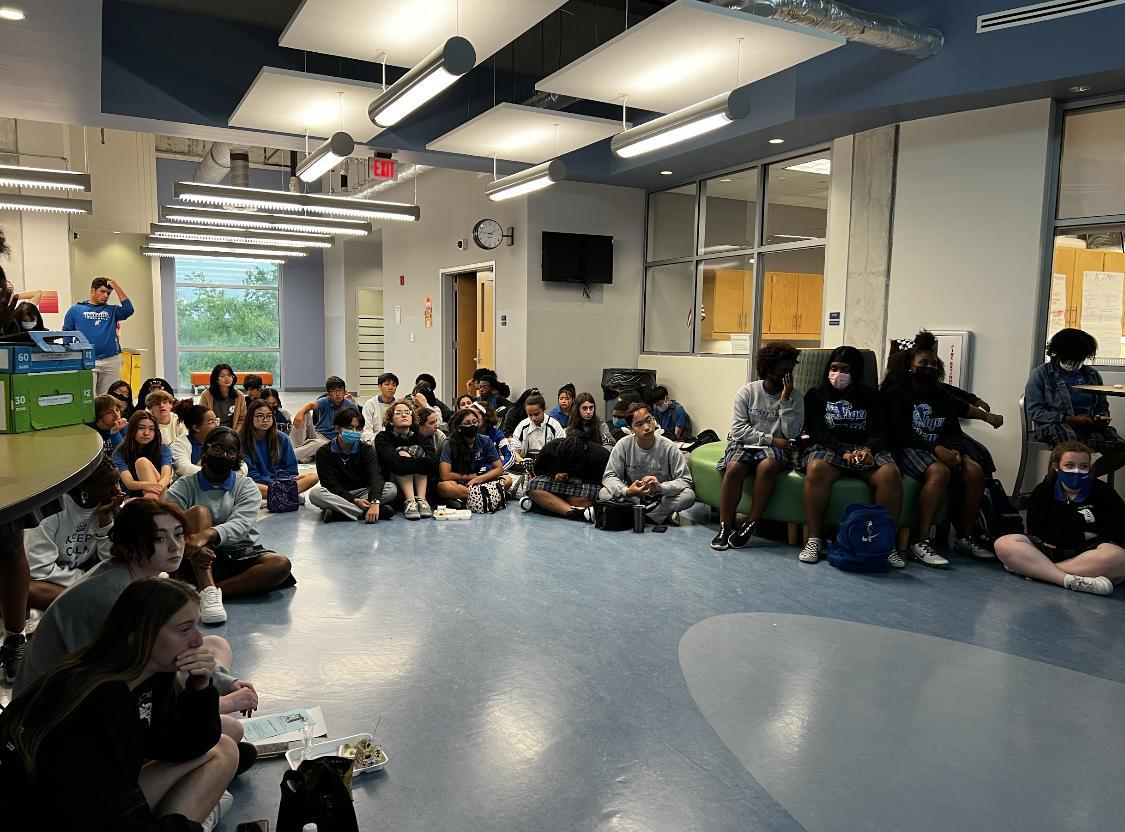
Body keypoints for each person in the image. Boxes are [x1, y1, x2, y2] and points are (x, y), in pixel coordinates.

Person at [17, 502, 260, 754]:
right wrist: (219, 701)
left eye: (178, 534)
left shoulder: (135, 575)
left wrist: (225, 682)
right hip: (60, 719)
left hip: (101, 689)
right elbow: (142, 679)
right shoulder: (116, 595)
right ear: (130, 545)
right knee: (230, 731)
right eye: (158, 539)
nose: (175, 546)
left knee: (217, 644)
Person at [0, 578, 239, 832]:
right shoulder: (101, 699)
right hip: (48, 817)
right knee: (223, 757)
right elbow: (88, 817)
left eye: (195, 626)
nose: (198, 641)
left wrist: (201, 688)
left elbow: (180, 746)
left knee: (225, 749)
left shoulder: (147, 676)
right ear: (141, 636)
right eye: (184, 630)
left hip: (88, 804)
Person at [882, 330, 990, 566]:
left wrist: (954, 449)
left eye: (932, 364)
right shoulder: (895, 393)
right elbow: (899, 434)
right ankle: (920, 541)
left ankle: (964, 537)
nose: (928, 368)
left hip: (940, 447)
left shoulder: (940, 395)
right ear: (910, 366)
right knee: (939, 472)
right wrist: (936, 449)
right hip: (908, 447)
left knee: (974, 471)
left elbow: (952, 429)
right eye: (923, 363)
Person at [166, 427, 294, 624]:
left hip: (236, 552)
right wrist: (195, 543)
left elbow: (241, 524)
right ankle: (209, 590)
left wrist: (206, 535)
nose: (224, 455)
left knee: (280, 564)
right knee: (199, 512)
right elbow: (169, 522)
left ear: (237, 458)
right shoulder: (184, 485)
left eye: (231, 451)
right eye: (217, 448)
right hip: (193, 556)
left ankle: (205, 592)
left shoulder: (246, 486)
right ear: (205, 451)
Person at [799, 346, 903, 565]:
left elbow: (881, 431)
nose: (838, 374)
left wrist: (868, 450)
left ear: (855, 371)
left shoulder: (872, 397)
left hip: (865, 447)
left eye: (845, 370)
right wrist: (843, 451)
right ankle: (814, 539)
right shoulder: (816, 395)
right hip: (831, 447)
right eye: (834, 368)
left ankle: (887, 544)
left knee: (890, 474)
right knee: (816, 468)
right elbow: (818, 432)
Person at [994, 442, 1125, 596]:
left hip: (1089, 554)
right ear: (1057, 467)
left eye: (1083, 466)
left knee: (1118, 557)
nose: (1076, 471)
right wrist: (1081, 535)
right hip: (1048, 549)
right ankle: (1068, 580)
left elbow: (1116, 532)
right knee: (1004, 544)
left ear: (1090, 468)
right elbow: (1037, 531)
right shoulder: (1043, 491)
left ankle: (1036, 571)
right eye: (1070, 465)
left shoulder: (1104, 492)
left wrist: (1061, 534)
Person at [711, 343, 803, 551]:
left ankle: (752, 522)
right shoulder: (748, 392)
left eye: (790, 371)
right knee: (733, 468)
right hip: (749, 443)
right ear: (768, 370)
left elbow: (791, 433)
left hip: (777, 448)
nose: (787, 377)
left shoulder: (795, 397)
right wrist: (771, 440)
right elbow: (738, 431)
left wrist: (785, 401)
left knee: (768, 466)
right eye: (782, 372)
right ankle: (725, 526)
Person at [24, 457, 122, 611]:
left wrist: (106, 521)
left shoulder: (109, 507)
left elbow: (112, 561)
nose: (117, 490)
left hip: (80, 580)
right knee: (28, 589)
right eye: (108, 484)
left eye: (118, 482)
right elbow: (38, 569)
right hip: (45, 582)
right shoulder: (50, 509)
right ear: (84, 486)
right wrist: (87, 578)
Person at [1025, 327, 1125, 477]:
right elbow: (1035, 411)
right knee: (1069, 452)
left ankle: (1085, 478)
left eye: (1079, 359)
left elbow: (1102, 405)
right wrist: (1068, 419)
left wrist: (1100, 417)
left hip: (1088, 426)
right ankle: (1052, 486)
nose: (1073, 363)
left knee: (1121, 450)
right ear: (1057, 354)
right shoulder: (1041, 374)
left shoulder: (1092, 375)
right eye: (1069, 358)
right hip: (1056, 425)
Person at [602, 402, 696, 526]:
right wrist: (627, 491)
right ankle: (657, 515)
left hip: (661, 497)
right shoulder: (623, 445)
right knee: (604, 493)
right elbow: (609, 476)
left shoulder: (669, 446)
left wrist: (661, 487)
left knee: (688, 495)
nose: (647, 427)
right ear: (630, 429)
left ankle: (641, 514)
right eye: (639, 424)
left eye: (649, 420)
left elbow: (685, 480)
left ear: (654, 419)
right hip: (634, 496)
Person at [309, 410, 398, 523]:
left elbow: (376, 476)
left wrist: (375, 501)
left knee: (391, 488)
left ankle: (339, 513)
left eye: (358, 429)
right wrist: (355, 501)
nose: (354, 432)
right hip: (337, 494)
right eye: (350, 428)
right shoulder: (324, 452)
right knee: (315, 494)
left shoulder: (366, 449)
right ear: (338, 428)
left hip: (363, 492)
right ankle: (367, 513)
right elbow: (330, 485)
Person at [63, 275, 134, 395]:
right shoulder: (76, 310)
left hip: (111, 359)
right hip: (86, 359)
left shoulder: (112, 310)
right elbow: (67, 332)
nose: (106, 295)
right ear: (93, 291)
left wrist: (116, 287)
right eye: (102, 291)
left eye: (108, 293)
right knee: (88, 397)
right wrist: (70, 355)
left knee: (109, 398)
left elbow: (129, 310)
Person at [239, 399, 318, 501]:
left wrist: (281, 482)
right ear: (250, 417)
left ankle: (278, 495)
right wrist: (272, 483)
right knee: (246, 485)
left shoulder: (282, 438)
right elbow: (250, 474)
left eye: (269, 416)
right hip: (259, 484)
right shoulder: (242, 441)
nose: (265, 420)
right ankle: (288, 494)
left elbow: (291, 470)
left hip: (281, 481)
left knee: (313, 477)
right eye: (260, 416)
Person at [524, 436, 610, 521]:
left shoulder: (600, 454)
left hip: (582, 486)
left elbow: (606, 479)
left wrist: (582, 480)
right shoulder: (550, 447)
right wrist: (554, 475)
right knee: (532, 485)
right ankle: (577, 513)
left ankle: (545, 505)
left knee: (598, 495)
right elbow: (538, 469)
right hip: (557, 483)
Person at [375, 401, 434, 520]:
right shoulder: (383, 437)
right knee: (401, 453)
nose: (404, 415)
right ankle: (410, 501)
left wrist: (410, 461)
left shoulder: (420, 437)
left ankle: (422, 500)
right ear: (391, 420)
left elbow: (432, 462)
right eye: (398, 413)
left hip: (420, 485)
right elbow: (393, 462)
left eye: (407, 412)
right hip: (394, 484)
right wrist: (413, 460)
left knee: (417, 451)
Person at [437, 407, 505, 506]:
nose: (472, 425)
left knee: (508, 480)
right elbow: (445, 475)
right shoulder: (449, 443)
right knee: (444, 487)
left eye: (475, 422)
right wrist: (469, 477)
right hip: (457, 482)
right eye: (467, 423)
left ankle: (467, 497)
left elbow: (499, 469)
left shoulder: (485, 440)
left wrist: (477, 479)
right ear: (459, 427)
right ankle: (491, 496)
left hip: (479, 481)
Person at [292, 376, 360, 463]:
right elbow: (310, 405)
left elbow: (357, 426)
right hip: (318, 434)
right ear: (328, 393)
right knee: (305, 414)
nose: (337, 393)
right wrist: (300, 412)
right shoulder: (325, 401)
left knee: (319, 444)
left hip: (333, 440)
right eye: (334, 391)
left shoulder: (351, 406)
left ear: (345, 392)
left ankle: (289, 455)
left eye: (340, 390)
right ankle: (294, 448)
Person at [112, 411, 174, 501]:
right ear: (132, 429)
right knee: (142, 462)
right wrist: (148, 486)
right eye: (141, 428)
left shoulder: (162, 449)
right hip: (133, 496)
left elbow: (166, 475)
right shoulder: (120, 452)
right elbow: (129, 483)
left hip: (162, 492)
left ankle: (151, 501)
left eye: (151, 429)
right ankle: (152, 502)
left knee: (142, 462)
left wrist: (156, 488)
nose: (146, 433)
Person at [511, 393, 564, 464]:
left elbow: (562, 450)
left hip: (550, 463)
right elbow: (513, 450)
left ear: (544, 409)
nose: (533, 418)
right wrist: (522, 461)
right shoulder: (523, 425)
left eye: (536, 414)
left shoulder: (554, 425)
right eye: (530, 415)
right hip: (526, 462)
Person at [171, 403, 220, 479]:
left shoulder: (219, 440)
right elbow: (183, 468)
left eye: (216, 420)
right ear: (196, 427)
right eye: (211, 422)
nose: (216, 425)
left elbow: (237, 464)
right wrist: (217, 476)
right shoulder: (179, 444)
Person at [198, 363, 246, 433]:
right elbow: (202, 417)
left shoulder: (239, 396)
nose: (227, 378)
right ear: (216, 379)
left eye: (229, 375)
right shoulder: (206, 394)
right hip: (212, 432)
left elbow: (242, 418)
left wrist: (234, 433)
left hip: (232, 433)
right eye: (222, 376)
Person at [361, 372, 400, 443]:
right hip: (375, 440)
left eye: (394, 385)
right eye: (387, 384)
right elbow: (366, 430)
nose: (390, 388)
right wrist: (378, 440)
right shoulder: (370, 404)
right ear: (380, 386)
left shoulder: (398, 404)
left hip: (395, 440)